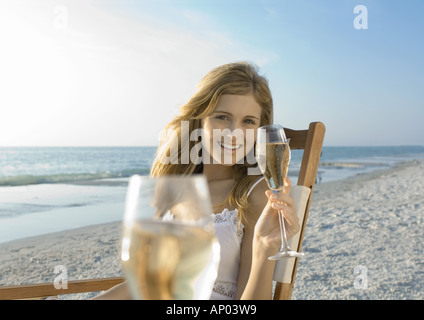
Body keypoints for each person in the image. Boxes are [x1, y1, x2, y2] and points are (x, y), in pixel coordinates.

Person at [94, 61, 299, 300]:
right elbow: (149, 282)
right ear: (199, 119)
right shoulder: (177, 184)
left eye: (248, 121)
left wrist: (265, 248)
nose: (234, 133)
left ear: (260, 130)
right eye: (223, 117)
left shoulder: (255, 195)